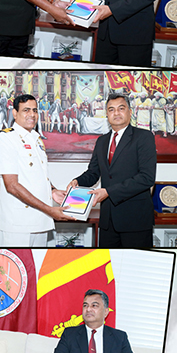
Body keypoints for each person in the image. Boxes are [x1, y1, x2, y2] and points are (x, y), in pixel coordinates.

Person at [66, 93, 156, 247]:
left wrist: (108, 192)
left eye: (121, 108)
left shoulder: (144, 137)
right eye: (111, 110)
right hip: (108, 220)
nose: (116, 113)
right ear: (106, 114)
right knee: (108, 267)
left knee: (133, 268)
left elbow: (146, 178)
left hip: (135, 220)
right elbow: (93, 172)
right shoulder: (102, 141)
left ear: (130, 111)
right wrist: (77, 181)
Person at [0, 94, 69, 247]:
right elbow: (12, 186)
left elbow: (37, 175)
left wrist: (53, 190)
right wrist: (49, 210)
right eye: (26, 110)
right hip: (17, 224)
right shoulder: (6, 138)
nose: (32, 115)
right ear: (15, 113)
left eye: (34, 110)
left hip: (40, 222)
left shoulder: (36, 138)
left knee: (38, 267)